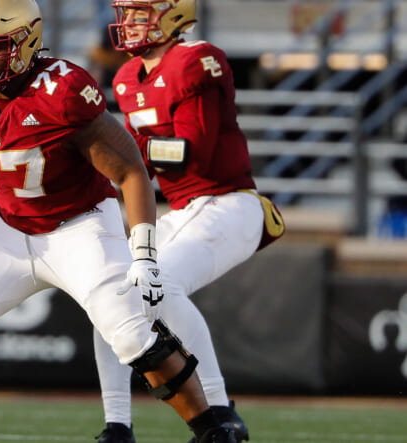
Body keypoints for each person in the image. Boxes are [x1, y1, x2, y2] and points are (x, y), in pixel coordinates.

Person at [0, 1, 239, 442]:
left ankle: (212, 428)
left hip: (80, 224)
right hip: (7, 226)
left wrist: (144, 253)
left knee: (131, 334)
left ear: (27, 42)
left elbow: (130, 170)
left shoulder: (61, 90)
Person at [92, 1, 285, 442]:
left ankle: (219, 411)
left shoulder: (196, 60)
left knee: (160, 285)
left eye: (140, 12)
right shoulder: (126, 77)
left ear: (173, 12)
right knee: (110, 293)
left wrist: (122, 154)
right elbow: (138, 164)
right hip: (183, 210)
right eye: (127, 13)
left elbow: (190, 150)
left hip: (229, 203)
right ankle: (117, 425)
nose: (129, 22)